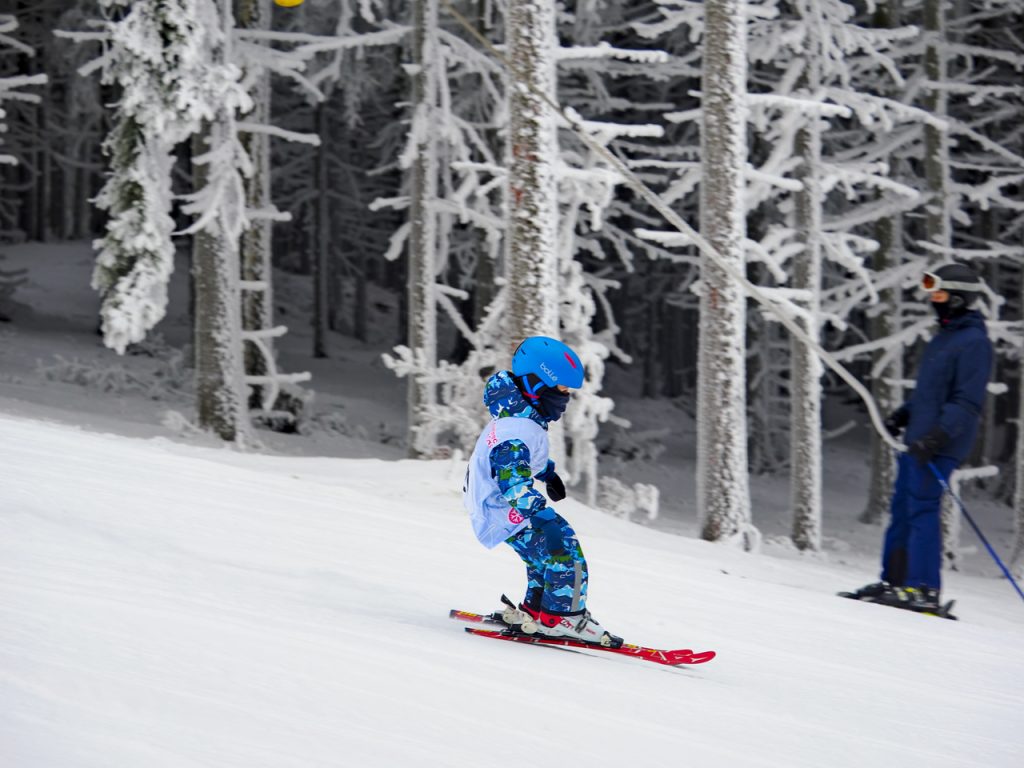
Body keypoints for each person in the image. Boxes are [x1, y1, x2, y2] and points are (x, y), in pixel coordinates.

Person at [843, 262, 993, 612]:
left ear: (957, 298)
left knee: (922, 509)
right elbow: (931, 395)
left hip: (940, 443)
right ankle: (894, 582)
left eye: (939, 294)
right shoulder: (944, 338)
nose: (933, 300)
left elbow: (967, 402)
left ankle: (923, 589)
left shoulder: (974, 343)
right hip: (919, 439)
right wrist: (904, 415)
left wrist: (938, 436)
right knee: (902, 510)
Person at [462, 336, 621, 647]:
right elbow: (513, 483)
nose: (565, 397)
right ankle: (564, 617)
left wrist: (546, 473)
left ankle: (536, 611)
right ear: (537, 384)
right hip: (502, 508)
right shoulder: (514, 431)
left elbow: (521, 462)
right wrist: (543, 517)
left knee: (543, 557)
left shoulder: (519, 419)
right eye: (561, 389)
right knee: (564, 549)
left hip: (496, 506)